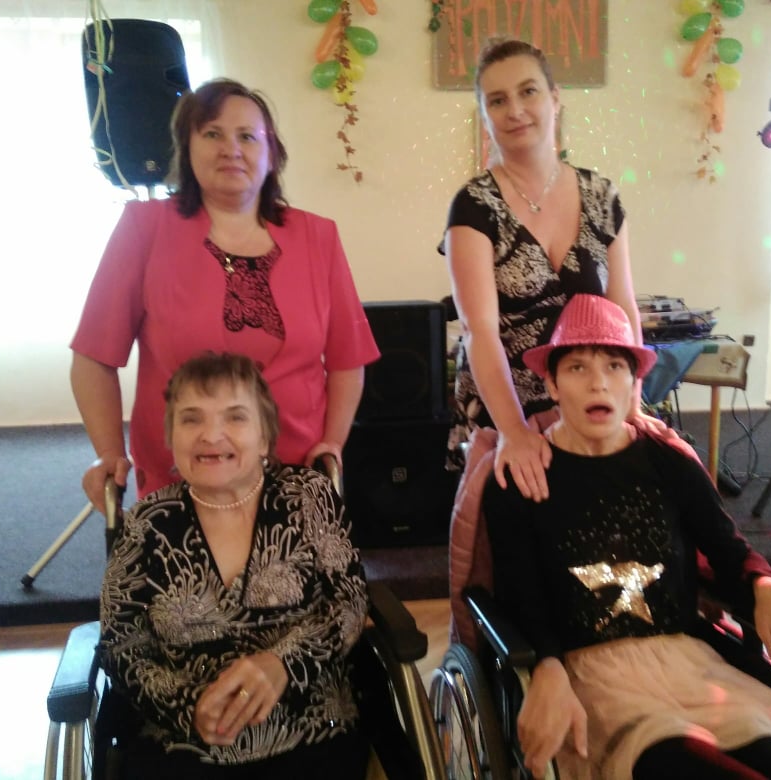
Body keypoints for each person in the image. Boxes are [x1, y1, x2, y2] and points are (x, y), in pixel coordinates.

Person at [483, 294, 771, 780]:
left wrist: (766, 585)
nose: (598, 382)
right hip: (588, 676)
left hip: (684, 660)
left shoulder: (669, 462)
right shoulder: (524, 478)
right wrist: (547, 667)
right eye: (577, 368)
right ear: (552, 385)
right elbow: (520, 598)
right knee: (673, 758)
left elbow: (727, 550)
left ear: (634, 383)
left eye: (614, 366)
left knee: (765, 750)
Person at [71, 77, 379, 512]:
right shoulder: (145, 228)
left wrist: (333, 441)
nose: (230, 149)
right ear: (187, 148)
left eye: (247, 137)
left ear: (272, 155)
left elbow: (349, 360)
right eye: (212, 134)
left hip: (294, 473)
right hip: (181, 474)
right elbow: (93, 357)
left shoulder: (318, 237)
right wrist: (108, 452)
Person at [98, 352, 369, 779]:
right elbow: (121, 644)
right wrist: (189, 706)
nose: (211, 435)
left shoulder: (308, 496)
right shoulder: (148, 524)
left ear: (264, 437)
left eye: (235, 417)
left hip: (312, 730)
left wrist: (283, 663)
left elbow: (350, 604)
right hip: (183, 745)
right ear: (171, 436)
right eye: (191, 419)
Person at [442, 36, 656, 503]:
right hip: (508, 407)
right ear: (485, 116)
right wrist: (515, 433)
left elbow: (622, 308)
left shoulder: (602, 195)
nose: (515, 110)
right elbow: (480, 331)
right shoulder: (473, 206)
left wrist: (632, 401)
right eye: (498, 100)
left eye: (528, 91)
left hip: (591, 400)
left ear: (555, 99)